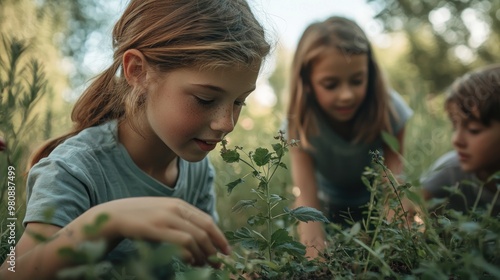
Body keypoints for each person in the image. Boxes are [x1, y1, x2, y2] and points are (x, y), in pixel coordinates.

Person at [0, 0, 270, 278]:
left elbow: (206, 268)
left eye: (240, 102)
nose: (226, 123)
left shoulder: (196, 171)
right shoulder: (74, 169)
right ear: (138, 71)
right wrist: (108, 223)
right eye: (205, 99)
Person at [285, 16, 412, 258]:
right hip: (328, 210)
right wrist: (317, 258)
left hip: (377, 208)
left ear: (370, 75)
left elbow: (393, 188)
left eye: (357, 80)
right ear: (308, 83)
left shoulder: (390, 112)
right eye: (330, 84)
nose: (346, 95)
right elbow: (307, 200)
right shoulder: (299, 125)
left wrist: (399, 247)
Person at [421, 64, 500, 217]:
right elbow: (408, 206)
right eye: (454, 126)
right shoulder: (450, 170)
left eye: (473, 130)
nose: (456, 140)